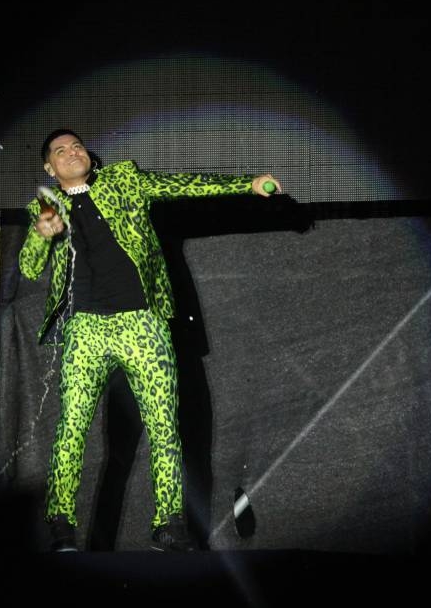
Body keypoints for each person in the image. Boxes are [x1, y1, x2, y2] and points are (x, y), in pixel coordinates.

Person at [19, 129, 281, 552]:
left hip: (142, 324)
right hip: (86, 329)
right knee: (71, 429)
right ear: (50, 168)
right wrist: (40, 234)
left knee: (165, 428)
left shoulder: (125, 180)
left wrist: (246, 183)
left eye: (78, 145)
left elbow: (183, 184)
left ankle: (169, 524)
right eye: (61, 151)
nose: (73, 152)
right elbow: (30, 269)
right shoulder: (45, 206)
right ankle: (60, 522)